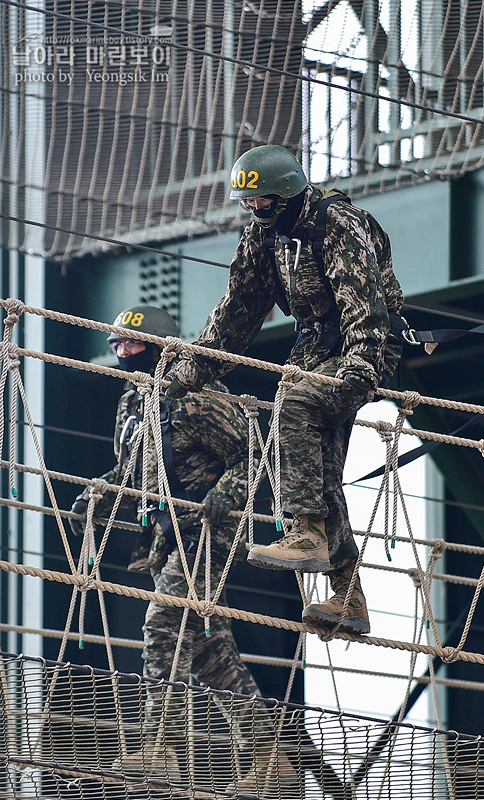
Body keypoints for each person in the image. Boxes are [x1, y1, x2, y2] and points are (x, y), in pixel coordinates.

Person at [165, 145, 405, 638]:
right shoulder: (263, 238)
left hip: (363, 347)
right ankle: (349, 595)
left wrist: (361, 365)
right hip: (313, 350)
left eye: (264, 202)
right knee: (315, 467)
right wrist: (194, 367)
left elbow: (364, 301)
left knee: (293, 401)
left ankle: (308, 533)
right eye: (248, 203)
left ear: (289, 194)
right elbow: (239, 311)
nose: (254, 210)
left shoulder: (337, 223)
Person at [69, 304, 297, 791]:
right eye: (116, 345)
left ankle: (160, 747)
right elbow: (131, 470)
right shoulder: (133, 405)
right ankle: (268, 757)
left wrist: (227, 494)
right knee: (209, 650)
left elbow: (251, 453)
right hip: (163, 537)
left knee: (162, 621)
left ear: (159, 348)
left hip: (206, 532)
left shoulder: (197, 398)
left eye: (131, 344)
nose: (122, 353)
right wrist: (99, 493)